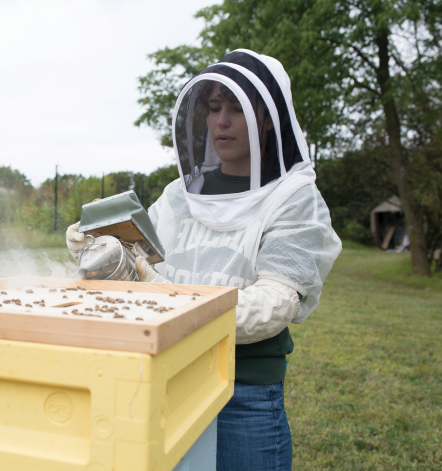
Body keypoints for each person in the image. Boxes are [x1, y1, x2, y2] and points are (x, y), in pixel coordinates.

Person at [67, 49, 341, 470]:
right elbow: (145, 257)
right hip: (166, 377)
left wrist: (164, 295)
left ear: (267, 118)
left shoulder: (294, 198)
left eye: (236, 109)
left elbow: (273, 306)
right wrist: (105, 246)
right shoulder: (183, 192)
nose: (221, 121)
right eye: (214, 108)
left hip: (243, 389)